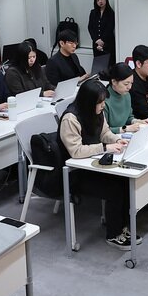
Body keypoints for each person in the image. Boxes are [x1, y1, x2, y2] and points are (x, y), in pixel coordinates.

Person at [59, 80, 132, 248]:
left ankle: (122, 226)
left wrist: (117, 140)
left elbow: (105, 132)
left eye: (103, 101)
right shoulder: (70, 119)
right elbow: (75, 151)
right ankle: (113, 234)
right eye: (99, 102)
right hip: (74, 172)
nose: (102, 105)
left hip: (92, 164)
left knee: (125, 181)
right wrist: (105, 147)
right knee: (114, 188)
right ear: (88, 101)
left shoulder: (97, 111)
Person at [102, 62, 148, 134]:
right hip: (111, 140)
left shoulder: (126, 95)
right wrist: (126, 128)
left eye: (131, 83)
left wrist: (136, 121)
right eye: (126, 84)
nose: (129, 87)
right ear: (114, 81)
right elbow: (103, 131)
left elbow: (128, 117)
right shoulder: (103, 101)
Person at [87, 0, 116, 71]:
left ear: (106, 0)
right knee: (98, 68)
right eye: (98, 0)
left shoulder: (111, 13)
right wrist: (96, 40)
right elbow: (90, 28)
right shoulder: (93, 13)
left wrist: (102, 41)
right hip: (96, 44)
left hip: (108, 44)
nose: (100, 1)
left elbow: (110, 28)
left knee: (109, 67)